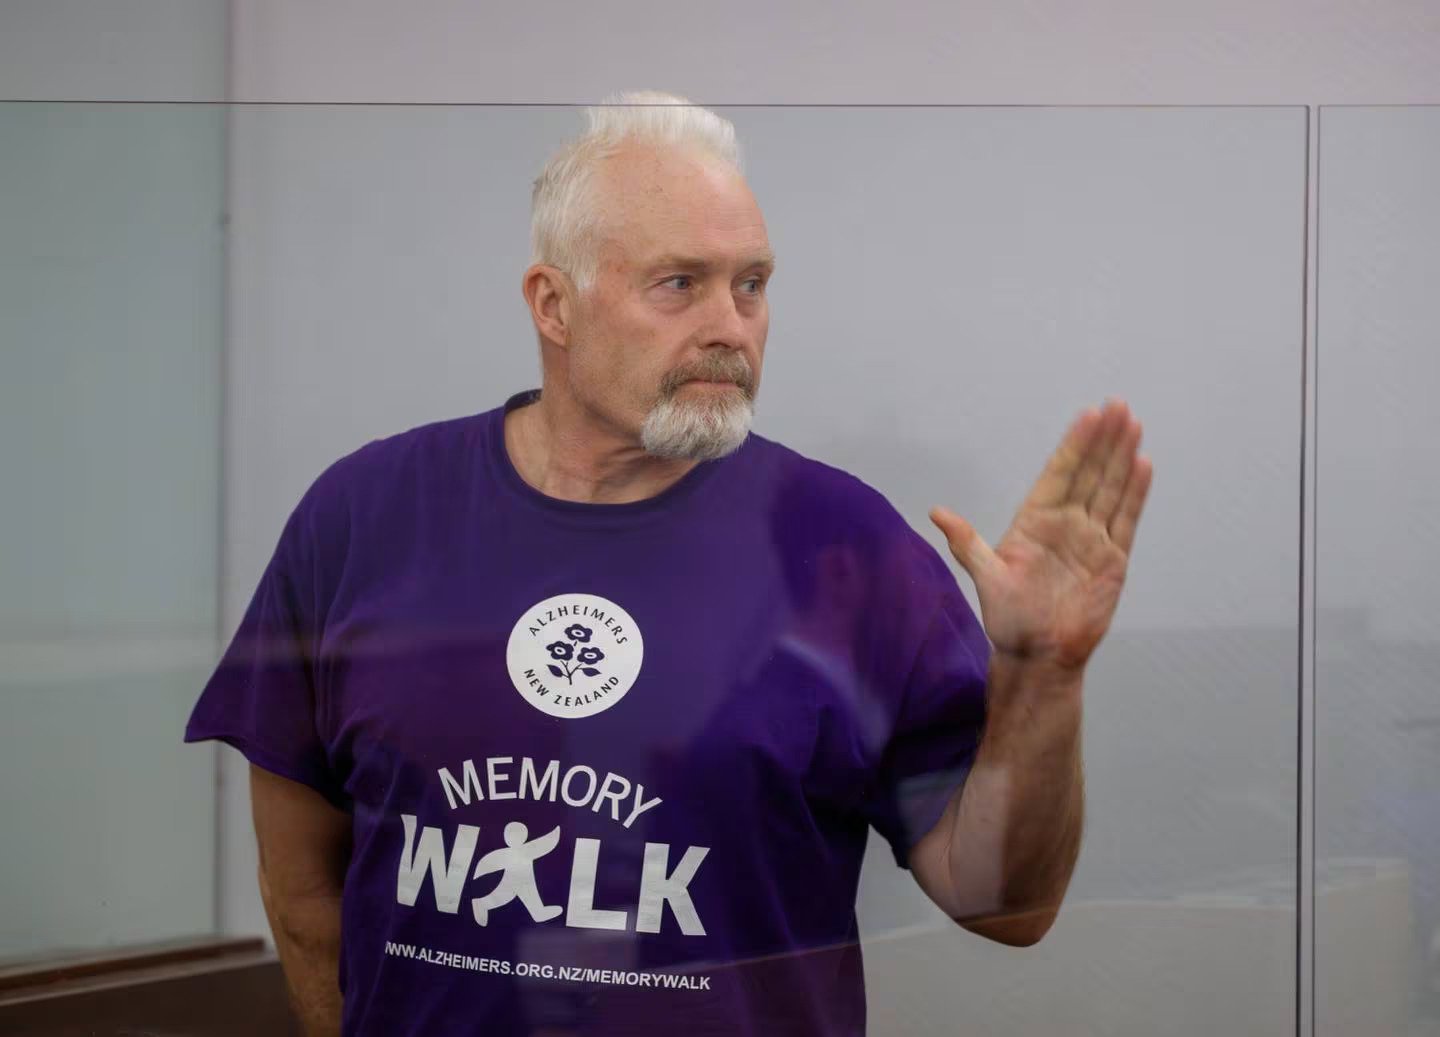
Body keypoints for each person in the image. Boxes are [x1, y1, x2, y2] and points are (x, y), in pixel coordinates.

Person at [185, 88, 1107, 1036]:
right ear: (554, 303)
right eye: (679, 284)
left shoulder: (849, 552)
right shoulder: (364, 519)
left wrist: (1046, 675)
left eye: (751, 284)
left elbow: (1007, 905)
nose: (730, 326)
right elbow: (301, 893)